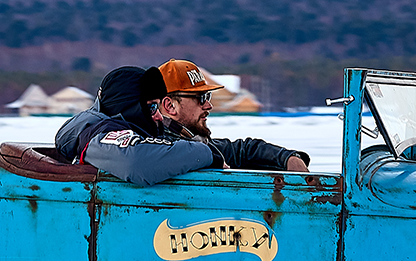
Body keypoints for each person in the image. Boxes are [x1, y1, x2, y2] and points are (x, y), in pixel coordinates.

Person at [55, 60, 309, 186]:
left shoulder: (158, 136)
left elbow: (235, 149)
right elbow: (136, 162)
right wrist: (205, 154)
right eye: (201, 97)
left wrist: (286, 158)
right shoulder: (99, 136)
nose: (208, 104)